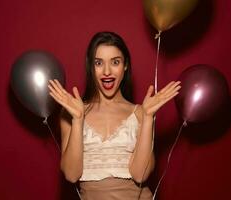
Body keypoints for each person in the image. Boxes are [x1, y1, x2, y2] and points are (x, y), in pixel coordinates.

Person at [48, 31, 181, 200]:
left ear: (125, 66)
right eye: (98, 63)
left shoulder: (141, 113)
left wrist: (148, 117)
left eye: (115, 62)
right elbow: (71, 174)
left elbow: (140, 175)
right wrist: (78, 119)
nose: (107, 71)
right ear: (90, 66)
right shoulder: (72, 112)